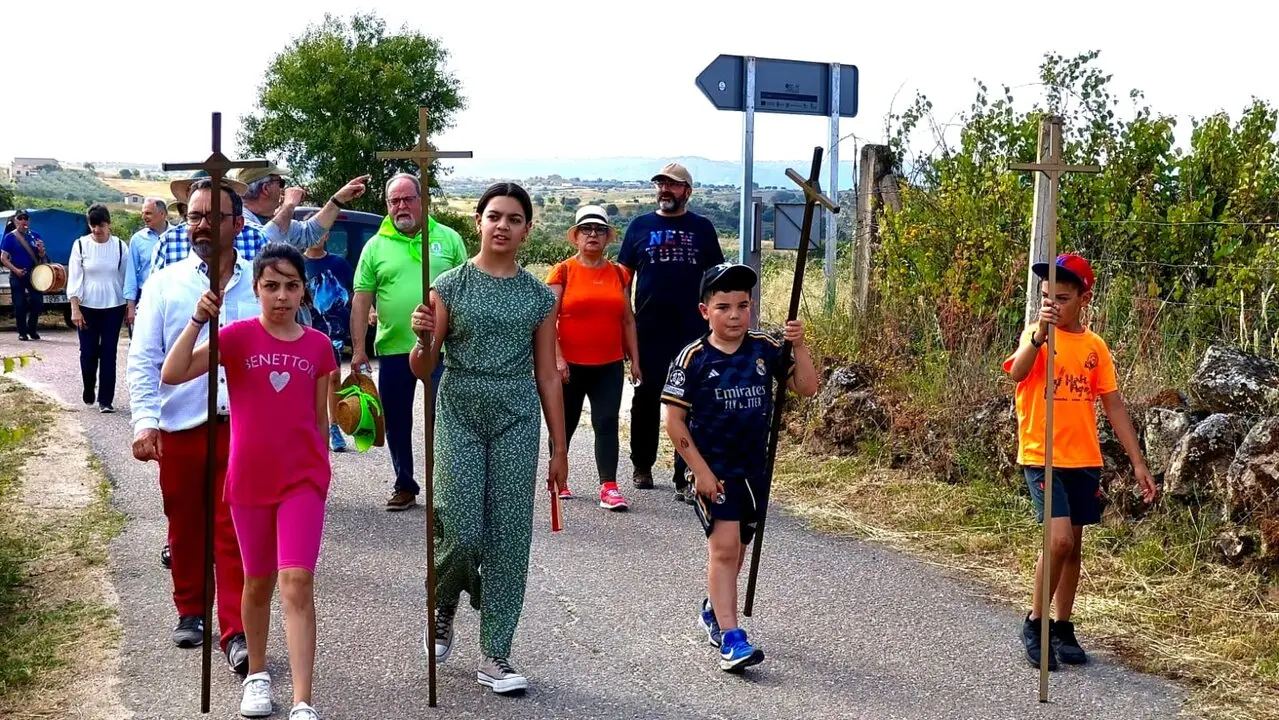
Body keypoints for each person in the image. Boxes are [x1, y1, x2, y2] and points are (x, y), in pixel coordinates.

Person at [162, 243, 336, 720]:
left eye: (291, 286)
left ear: (304, 290)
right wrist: (199, 320)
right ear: (256, 289)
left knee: (297, 581)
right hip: (250, 482)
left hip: (302, 480)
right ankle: (256, 675)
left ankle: (303, 701)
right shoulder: (235, 337)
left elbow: (321, 422)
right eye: (271, 286)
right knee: (256, 584)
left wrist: (321, 471)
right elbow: (173, 372)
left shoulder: (319, 347)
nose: (281, 296)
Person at [408, 182, 568, 695]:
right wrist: (422, 339)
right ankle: (445, 601)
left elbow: (547, 373)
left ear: (526, 228)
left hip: (517, 416)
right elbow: (423, 368)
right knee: (460, 529)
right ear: (477, 221)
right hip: (459, 408)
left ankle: (496, 652)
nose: (502, 226)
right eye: (494, 216)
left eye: (514, 218)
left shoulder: (540, 297)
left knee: (508, 536)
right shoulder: (450, 285)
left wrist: (559, 448)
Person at [661, 263, 818, 672]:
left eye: (743, 306)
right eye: (724, 306)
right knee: (725, 547)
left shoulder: (764, 347)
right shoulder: (692, 358)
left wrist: (798, 346)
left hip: (755, 469)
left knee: (740, 545)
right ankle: (732, 638)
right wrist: (701, 471)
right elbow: (675, 422)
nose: (734, 315)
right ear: (704, 311)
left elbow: (807, 387)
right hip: (715, 469)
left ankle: (715, 608)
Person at [1003, 253, 1157, 669]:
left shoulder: (1095, 348)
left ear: (1083, 299)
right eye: (1046, 297)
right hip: (1042, 455)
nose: (1052, 304)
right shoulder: (1034, 335)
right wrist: (1039, 336)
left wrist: (1138, 462)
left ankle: (1063, 626)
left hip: (1082, 457)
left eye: (1063, 298)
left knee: (1074, 550)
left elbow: (1114, 406)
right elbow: (1017, 373)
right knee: (1059, 541)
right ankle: (1035, 623)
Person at [125, 177, 251, 676]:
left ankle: (237, 629)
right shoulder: (165, 283)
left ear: (237, 225)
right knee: (185, 524)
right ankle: (190, 609)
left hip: (244, 429)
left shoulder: (258, 283)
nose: (199, 224)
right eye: (193, 216)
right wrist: (144, 421)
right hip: (182, 424)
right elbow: (144, 359)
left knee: (235, 529)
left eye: (211, 216)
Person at [351, 172, 468, 511]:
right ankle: (405, 483)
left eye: (407, 198)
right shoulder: (375, 246)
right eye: (394, 201)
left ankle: (444, 487)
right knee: (397, 420)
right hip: (393, 349)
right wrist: (359, 348)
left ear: (422, 200)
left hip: (443, 349)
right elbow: (361, 299)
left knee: (443, 420)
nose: (401, 206)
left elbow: (466, 289)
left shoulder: (447, 239)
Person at [618, 162, 724, 502]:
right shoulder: (639, 226)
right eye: (661, 184)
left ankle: (684, 474)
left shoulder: (703, 228)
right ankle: (642, 465)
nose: (665, 190)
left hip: (694, 333)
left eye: (673, 185)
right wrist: (625, 327)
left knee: (690, 403)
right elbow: (622, 282)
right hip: (649, 330)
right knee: (646, 400)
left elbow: (716, 280)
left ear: (686, 192)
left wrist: (718, 323)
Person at [545, 205, 640, 510]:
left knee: (607, 422)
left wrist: (635, 359)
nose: (593, 235)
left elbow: (627, 319)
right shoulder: (563, 271)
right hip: (569, 365)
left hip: (608, 363)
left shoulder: (619, 273)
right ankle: (559, 478)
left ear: (607, 237)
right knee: (565, 423)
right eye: (586, 229)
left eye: (599, 230)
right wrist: (557, 359)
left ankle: (608, 487)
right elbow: (548, 319)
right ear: (576, 236)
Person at [68, 203, 134, 413]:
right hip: (87, 307)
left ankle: (106, 399)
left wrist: (127, 306)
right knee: (88, 353)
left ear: (109, 224)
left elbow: (126, 278)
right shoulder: (80, 245)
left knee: (108, 353)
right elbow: (75, 279)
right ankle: (89, 387)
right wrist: (75, 308)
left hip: (113, 306)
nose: (97, 230)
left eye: (101, 225)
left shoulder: (120, 246)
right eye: (93, 225)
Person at [303, 228, 356, 452]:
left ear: (327, 237)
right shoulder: (297, 262)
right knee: (308, 378)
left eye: (321, 234)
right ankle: (309, 425)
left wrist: (369, 310)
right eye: (313, 233)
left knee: (333, 375)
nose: (317, 238)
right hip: (306, 327)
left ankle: (333, 426)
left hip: (334, 329)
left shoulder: (339, 264)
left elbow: (355, 293)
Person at [233, 164, 370, 247]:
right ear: (266, 189)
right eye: (280, 182)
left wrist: (338, 199)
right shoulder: (236, 221)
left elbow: (310, 232)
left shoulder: (272, 221)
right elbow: (264, 241)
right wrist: (289, 205)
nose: (282, 188)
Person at [0, 210, 48, 341]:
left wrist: (41, 251)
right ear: (15, 221)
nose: (23, 221)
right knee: (19, 304)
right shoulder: (10, 237)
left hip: (33, 274)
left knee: (37, 302)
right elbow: (3, 258)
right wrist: (15, 270)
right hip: (17, 274)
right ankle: (22, 332)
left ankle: (32, 329)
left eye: (25, 218)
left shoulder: (35, 236)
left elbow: (42, 257)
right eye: (20, 218)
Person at [124, 197, 173, 311]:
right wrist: (130, 305)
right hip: (145, 295)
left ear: (162, 214)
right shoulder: (137, 239)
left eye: (148, 213)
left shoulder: (177, 236)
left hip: (172, 294)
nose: (144, 217)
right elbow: (131, 274)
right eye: (143, 213)